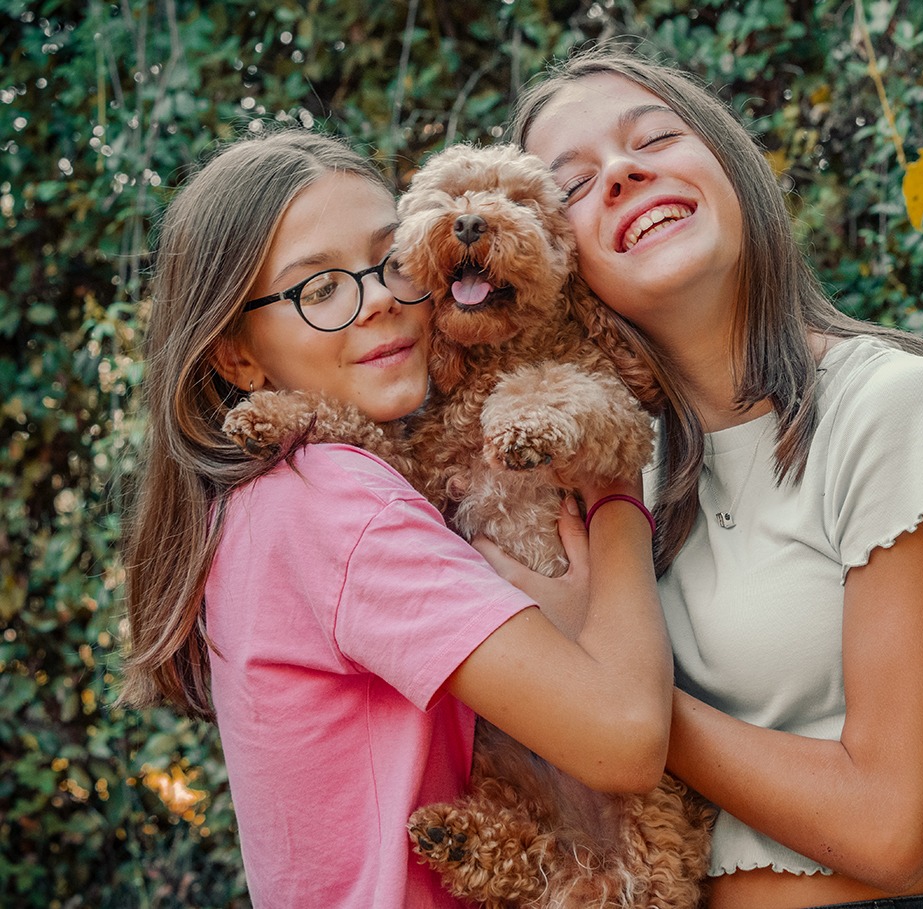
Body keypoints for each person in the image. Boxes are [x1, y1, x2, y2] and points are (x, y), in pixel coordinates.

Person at [499, 49, 923, 909]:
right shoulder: (605, 472)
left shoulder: (890, 407)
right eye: (574, 186)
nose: (622, 172)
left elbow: (891, 831)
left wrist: (603, 691)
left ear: (731, 163)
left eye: (653, 138)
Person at [117, 130, 674, 908]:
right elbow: (627, 739)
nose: (379, 297)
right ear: (238, 357)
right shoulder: (334, 500)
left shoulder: (270, 494)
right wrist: (615, 498)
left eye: (393, 264)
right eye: (319, 289)